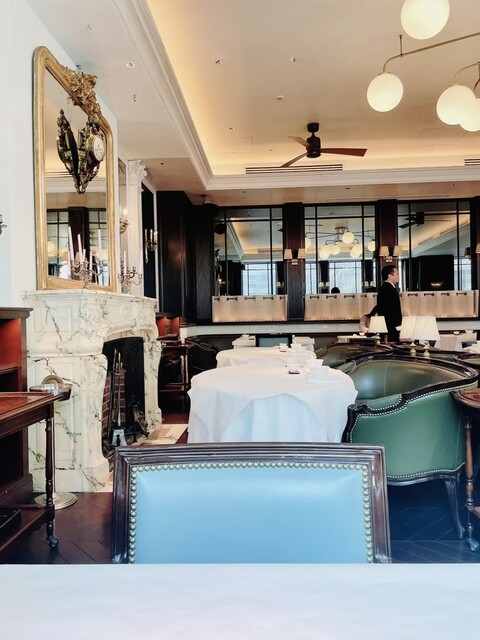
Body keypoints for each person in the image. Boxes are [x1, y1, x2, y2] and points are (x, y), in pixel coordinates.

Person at [376, 265, 402, 342]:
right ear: (390, 276)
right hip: (391, 328)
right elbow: (392, 311)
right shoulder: (388, 289)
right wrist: (398, 327)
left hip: (388, 327)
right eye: (397, 274)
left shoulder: (385, 288)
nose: (398, 276)